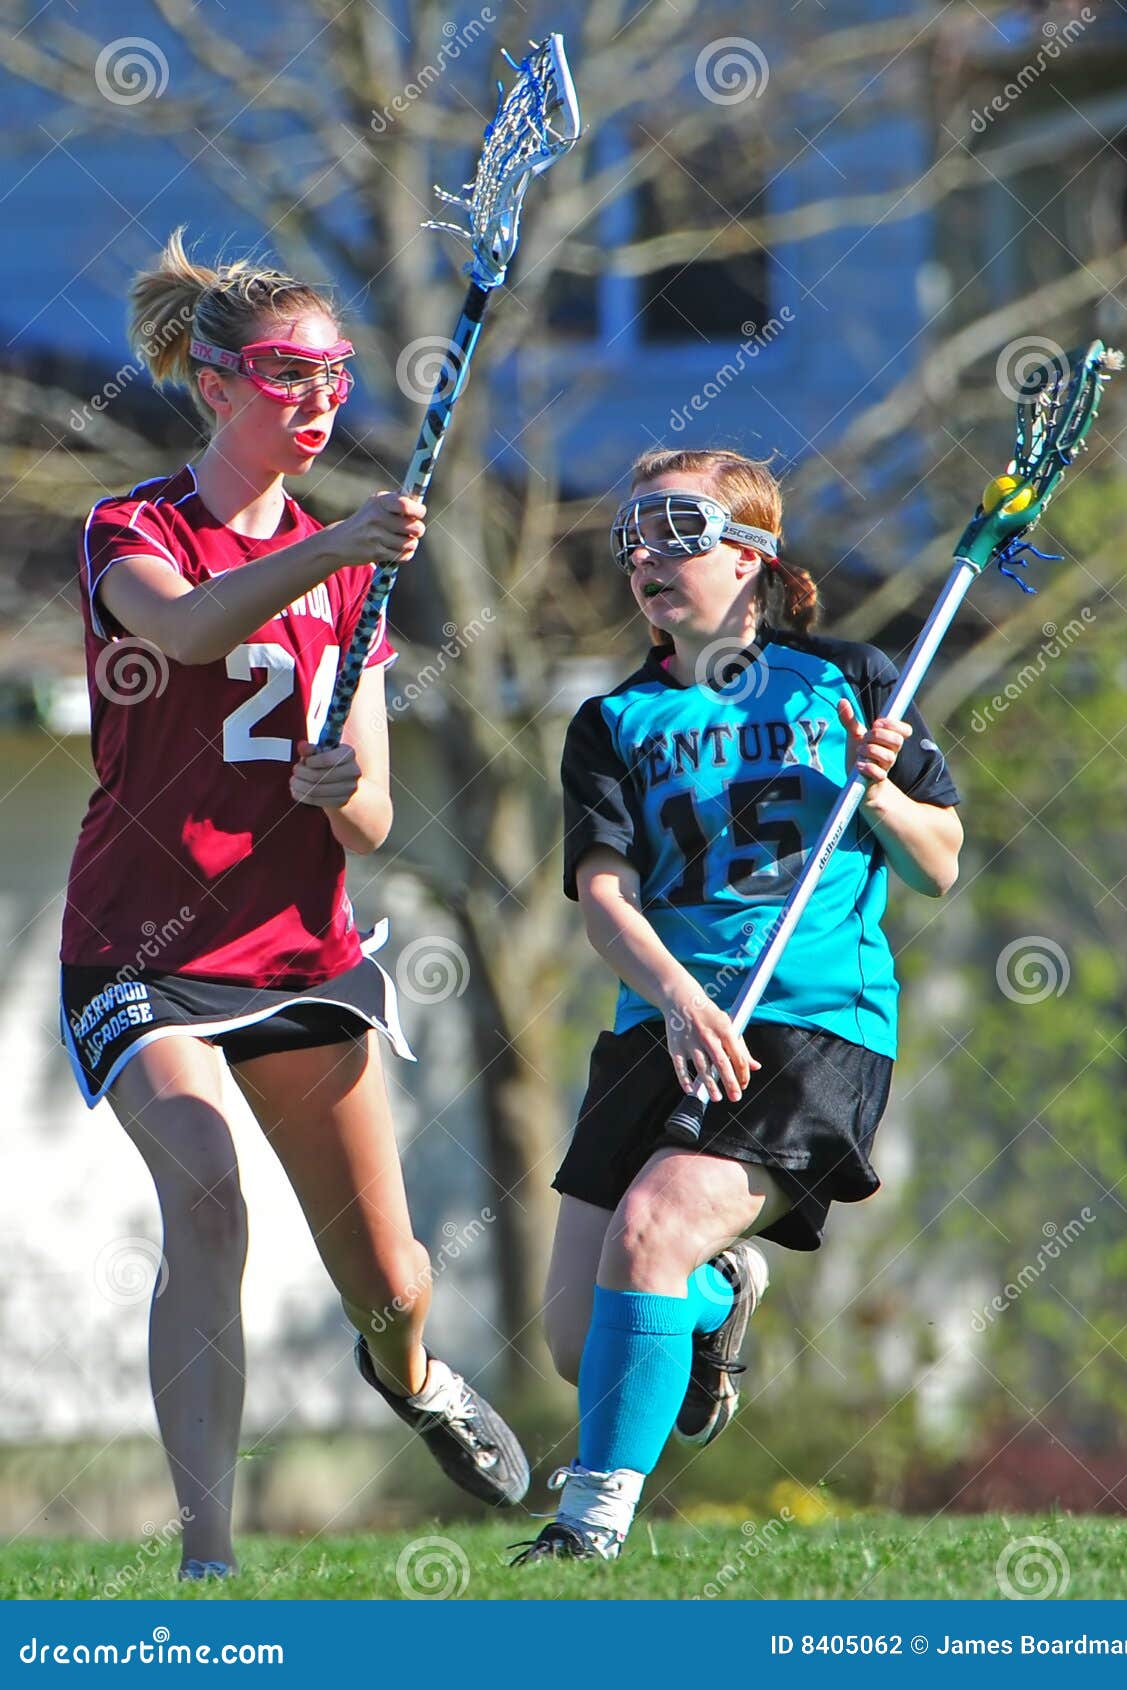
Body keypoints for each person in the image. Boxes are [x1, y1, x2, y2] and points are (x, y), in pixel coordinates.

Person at [59, 229, 528, 1581]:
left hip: (300, 956)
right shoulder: (132, 531)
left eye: (334, 373)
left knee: (387, 1280)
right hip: (139, 949)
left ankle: (417, 1372)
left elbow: (374, 813)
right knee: (205, 1196)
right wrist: (334, 550)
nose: (318, 398)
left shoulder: (349, 581)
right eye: (285, 374)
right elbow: (193, 628)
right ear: (213, 384)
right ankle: (209, 1568)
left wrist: (339, 783)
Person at [513, 447, 963, 1563]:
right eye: (632, 538)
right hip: (661, 1027)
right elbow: (603, 897)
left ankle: (588, 1525)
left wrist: (882, 795)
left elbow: (939, 864)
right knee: (579, 1340)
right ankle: (713, 1304)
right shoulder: (611, 722)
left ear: (753, 555)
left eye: (677, 529)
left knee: (652, 1226)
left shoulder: (851, 681)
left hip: (813, 1024)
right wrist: (671, 995)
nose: (645, 557)